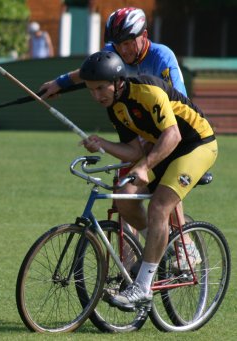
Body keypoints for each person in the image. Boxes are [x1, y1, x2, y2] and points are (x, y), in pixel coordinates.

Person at [39, 7, 192, 248]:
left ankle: (184, 248)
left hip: (169, 131)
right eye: (118, 43)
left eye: (128, 42)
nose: (123, 49)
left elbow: (179, 110)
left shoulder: (162, 57)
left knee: (162, 187)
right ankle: (135, 263)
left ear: (144, 34)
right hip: (135, 132)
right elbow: (90, 72)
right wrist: (59, 84)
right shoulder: (114, 52)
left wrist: (152, 148)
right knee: (123, 198)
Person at [79, 50, 218, 310]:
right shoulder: (116, 108)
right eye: (91, 90)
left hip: (197, 144)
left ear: (118, 81)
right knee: (126, 200)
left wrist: (144, 166)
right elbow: (133, 150)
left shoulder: (147, 91)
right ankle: (161, 245)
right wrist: (102, 144)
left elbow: (173, 136)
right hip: (163, 149)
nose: (97, 96)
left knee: (159, 207)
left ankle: (142, 288)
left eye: (100, 89)